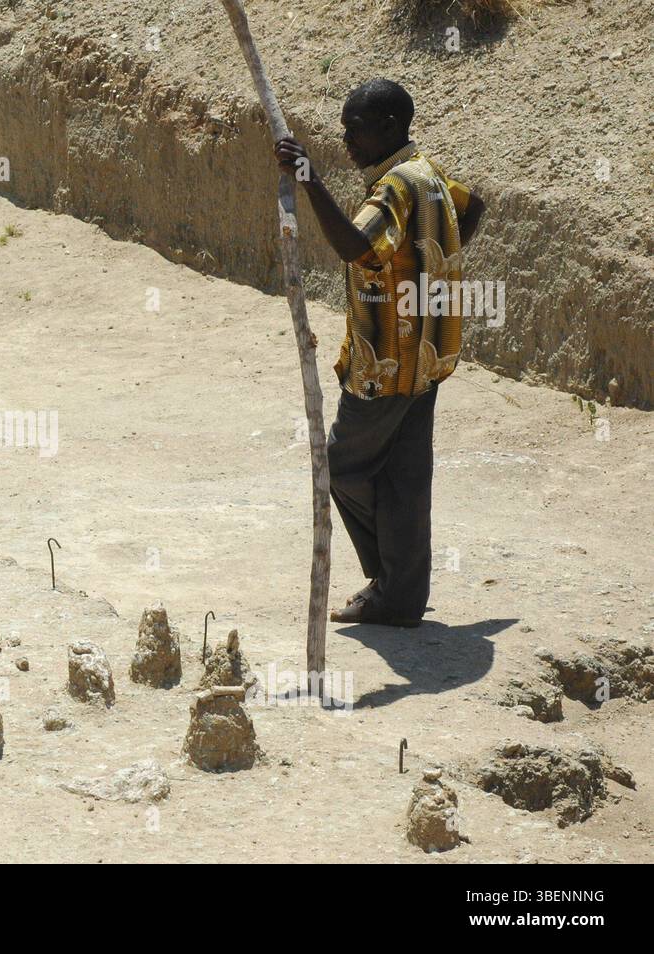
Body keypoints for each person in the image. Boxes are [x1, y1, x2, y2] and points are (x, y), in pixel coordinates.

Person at [274, 78, 485, 627]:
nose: (346, 140)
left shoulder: (395, 187)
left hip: (387, 362)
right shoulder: (429, 174)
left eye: (355, 129)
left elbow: (355, 246)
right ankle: (402, 597)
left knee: (341, 466)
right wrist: (430, 261)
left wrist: (308, 179)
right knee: (405, 477)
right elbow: (474, 207)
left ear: (391, 127)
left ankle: (389, 581)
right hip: (430, 358)